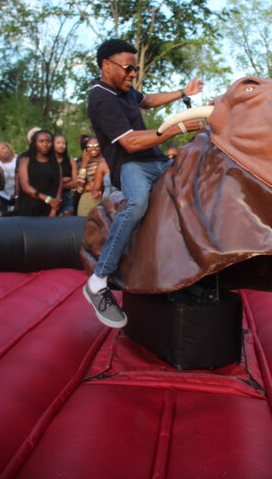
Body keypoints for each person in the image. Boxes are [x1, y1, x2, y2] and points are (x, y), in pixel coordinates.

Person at [84, 38, 203, 328]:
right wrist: (178, 127)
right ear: (106, 66)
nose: (132, 74)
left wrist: (182, 93)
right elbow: (130, 143)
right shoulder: (100, 97)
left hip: (157, 160)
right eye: (127, 69)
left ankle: (188, 273)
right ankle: (99, 280)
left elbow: (146, 99)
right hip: (131, 165)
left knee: (194, 189)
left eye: (135, 69)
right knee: (137, 203)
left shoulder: (125, 90)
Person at [17, 130, 62, 216]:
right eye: (41, 141)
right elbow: (25, 186)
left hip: (49, 208)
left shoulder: (56, 165)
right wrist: (47, 199)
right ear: (34, 143)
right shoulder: (26, 161)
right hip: (29, 207)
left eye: (48, 141)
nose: (45, 144)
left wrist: (54, 210)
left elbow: (58, 189)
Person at [76, 137, 108, 216]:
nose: (93, 148)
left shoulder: (106, 162)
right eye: (89, 146)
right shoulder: (82, 163)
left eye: (96, 145)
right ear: (86, 149)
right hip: (87, 199)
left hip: (104, 198)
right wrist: (84, 164)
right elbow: (79, 188)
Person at [53, 134, 77, 216]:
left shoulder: (70, 161)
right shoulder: (47, 161)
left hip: (66, 196)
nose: (61, 145)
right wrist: (64, 180)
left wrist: (58, 184)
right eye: (58, 143)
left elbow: (75, 182)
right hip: (51, 196)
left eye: (63, 143)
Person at [0, 142, 17, 215]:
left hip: (20, 195)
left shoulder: (19, 160)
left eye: (3, 148)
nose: (1, 151)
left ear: (9, 149)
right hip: (4, 196)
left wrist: (17, 192)